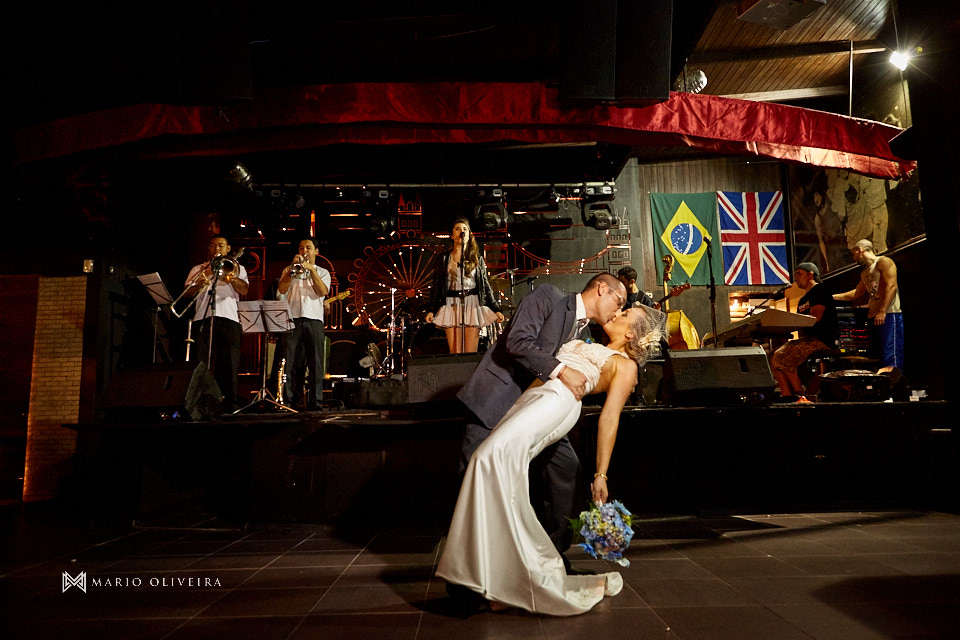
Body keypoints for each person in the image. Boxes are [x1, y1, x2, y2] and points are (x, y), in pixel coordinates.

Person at [437, 304, 668, 615]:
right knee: (497, 471)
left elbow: (609, 419)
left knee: (486, 460)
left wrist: (601, 475)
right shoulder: (586, 341)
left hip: (558, 402)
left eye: (624, 314)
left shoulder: (625, 366)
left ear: (630, 334)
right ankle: (500, 579)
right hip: (533, 398)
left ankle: (495, 575)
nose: (616, 313)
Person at [455, 273, 627, 565]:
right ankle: (467, 573)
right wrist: (561, 370)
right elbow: (518, 342)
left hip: (533, 412)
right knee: (473, 480)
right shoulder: (549, 296)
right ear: (601, 289)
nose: (618, 311)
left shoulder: (582, 333)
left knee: (567, 466)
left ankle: (548, 559)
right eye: (619, 301)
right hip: (495, 403)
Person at [184, 235, 249, 412]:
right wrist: (206, 275)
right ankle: (198, 403)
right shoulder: (198, 269)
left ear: (229, 248)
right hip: (202, 318)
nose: (216, 249)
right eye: (212, 246)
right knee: (200, 362)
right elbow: (187, 294)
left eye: (221, 245)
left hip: (229, 318)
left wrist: (231, 277)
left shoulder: (237, 267)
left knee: (229, 362)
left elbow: (244, 290)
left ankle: (230, 404)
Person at [425, 217, 505, 353]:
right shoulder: (445, 258)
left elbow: (485, 286)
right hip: (451, 303)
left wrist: (496, 309)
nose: (461, 231)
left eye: (464, 229)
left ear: (469, 234)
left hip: (471, 302)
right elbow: (437, 285)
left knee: (470, 351)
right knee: (455, 352)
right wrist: (432, 309)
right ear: (452, 235)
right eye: (457, 229)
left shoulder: (477, 258)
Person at [834, 239, 904, 373]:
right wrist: (831, 297)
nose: (853, 257)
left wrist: (883, 311)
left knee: (891, 358)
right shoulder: (865, 272)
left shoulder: (883, 261)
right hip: (873, 315)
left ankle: (895, 386)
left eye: (854, 253)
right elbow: (856, 293)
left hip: (889, 314)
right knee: (877, 356)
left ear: (860, 250)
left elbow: (892, 286)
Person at [278, 237, 331, 410]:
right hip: (292, 319)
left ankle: (316, 402)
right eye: (301, 248)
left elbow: (322, 291)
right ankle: (288, 401)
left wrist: (311, 271)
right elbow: (282, 289)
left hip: (314, 319)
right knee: (289, 362)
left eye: (308, 248)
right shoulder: (289, 269)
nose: (304, 251)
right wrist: (290, 271)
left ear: (316, 251)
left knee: (315, 362)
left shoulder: (322, 272)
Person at [771, 262, 838, 397]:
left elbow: (816, 317)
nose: (796, 278)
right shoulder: (802, 300)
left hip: (822, 339)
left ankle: (799, 395)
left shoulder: (820, 290)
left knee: (784, 357)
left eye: (799, 274)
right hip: (808, 339)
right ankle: (786, 395)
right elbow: (801, 327)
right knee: (773, 355)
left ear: (810, 275)